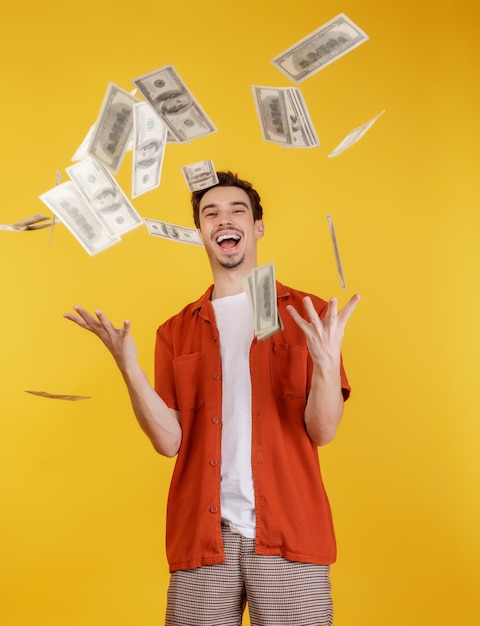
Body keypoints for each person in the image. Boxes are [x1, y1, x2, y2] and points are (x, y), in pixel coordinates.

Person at [64, 171, 360, 626]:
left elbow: (323, 430)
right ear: (201, 232)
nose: (225, 219)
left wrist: (324, 362)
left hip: (289, 533)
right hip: (204, 539)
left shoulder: (309, 315)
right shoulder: (176, 331)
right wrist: (129, 369)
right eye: (211, 213)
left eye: (238, 210)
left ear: (257, 227)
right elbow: (168, 442)